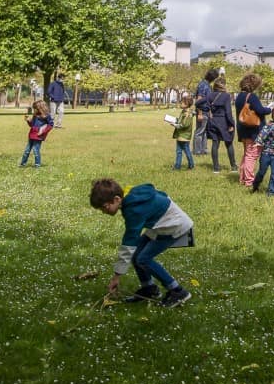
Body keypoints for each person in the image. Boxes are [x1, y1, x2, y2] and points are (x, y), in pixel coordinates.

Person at [91, 178, 193, 308]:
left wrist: (117, 276)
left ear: (117, 199)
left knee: (143, 259)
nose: (104, 212)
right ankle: (149, 289)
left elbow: (129, 241)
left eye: (105, 207)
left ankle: (178, 291)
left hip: (173, 226)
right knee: (136, 254)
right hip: (160, 225)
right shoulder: (130, 196)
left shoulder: (134, 210)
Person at [234, 73, 268, 187]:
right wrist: (269, 109)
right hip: (253, 130)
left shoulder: (239, 96)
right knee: (251, 155)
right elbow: (260, 110)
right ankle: (249, 180)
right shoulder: (252, 97)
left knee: (247, 154)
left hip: (242, 129)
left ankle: (243, 178)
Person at [251, 108, 274, 195]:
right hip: (266, 154)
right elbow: (262, 135)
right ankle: (255, 185)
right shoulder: (268, 126)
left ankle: (271, 192)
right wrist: (258, 142)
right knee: (261, 172)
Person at [204, 77, 236, 173]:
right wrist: (231, 124)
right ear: (223, 85)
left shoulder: (210, 95)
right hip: (224, 122)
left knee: (215, 143)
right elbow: (228, 112)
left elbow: (200, 104)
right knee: (229, 143)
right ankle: (233, 167)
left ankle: (216, 168)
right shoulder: (226, 96)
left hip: (213, 121)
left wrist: (208, 113)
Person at [191, 67, 216, 158]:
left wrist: (210, 112)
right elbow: (199, 100)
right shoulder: (203, 85)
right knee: (199, 131)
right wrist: (200, 113)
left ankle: (203, 150)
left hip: (207, 111)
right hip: (202, 111)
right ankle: (197, 151)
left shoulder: (208, 85)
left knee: (204, 132)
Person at [20, 100, 53, 167]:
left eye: (35, 108)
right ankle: (23, 164)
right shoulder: (35, 115)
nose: (34, 110)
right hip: (31, 135)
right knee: (27, 151)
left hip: (38, 136)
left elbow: (50, 125)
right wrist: (28, 121)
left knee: (35, 150)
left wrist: (42, 132)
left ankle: (37, 164)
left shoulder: (47, 116)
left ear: (41, 108)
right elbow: (32, 125)